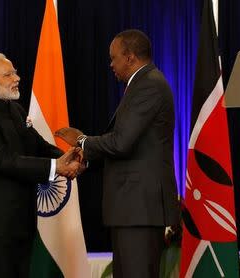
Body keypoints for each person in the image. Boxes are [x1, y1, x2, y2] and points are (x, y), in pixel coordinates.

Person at [55, 29, 180, 277]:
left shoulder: (149, 85)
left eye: (114, 58)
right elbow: (129, 147)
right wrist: (86, 161)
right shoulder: (143, 84)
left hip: (140, 209)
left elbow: (122, 142)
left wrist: (82, 141)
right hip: (132, 209)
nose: (111, 64)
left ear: (130, 57)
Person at [0, 52, 83, 278]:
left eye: (15, 72)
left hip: (20, 220)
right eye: (8, 74)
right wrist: (56, 166)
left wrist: (72, 157)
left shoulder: (15, 109)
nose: (17, 78)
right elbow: (1, 160)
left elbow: (37, 145)